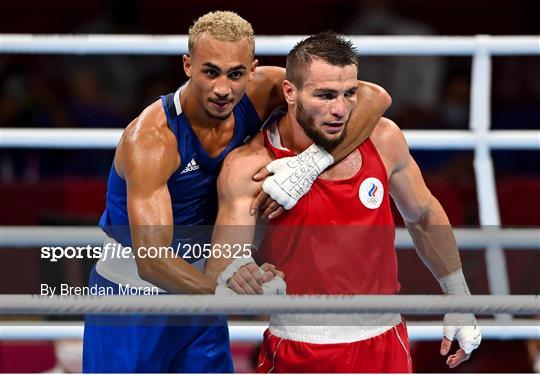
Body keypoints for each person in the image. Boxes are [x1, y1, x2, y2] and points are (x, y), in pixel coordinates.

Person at [82, 11, 391, 373]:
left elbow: (374, 97)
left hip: (202, 288)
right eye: (210, 71)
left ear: (253, 70)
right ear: (187, 65)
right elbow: (152, 261)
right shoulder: (152, 141)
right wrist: (222, 295)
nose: (223, 88)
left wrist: (310, 165)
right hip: (133, 298)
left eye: (236, 73)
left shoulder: (261, 91)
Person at [209, 31, 482, 372]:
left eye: (348, 93)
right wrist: (243, 275)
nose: (339, 109)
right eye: (324, 95)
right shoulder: (249, 166)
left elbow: (423, 215)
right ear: (290, 92)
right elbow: (223, 265)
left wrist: (459, 297)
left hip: (384, 343)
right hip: (298, 347)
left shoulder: (383, 139)